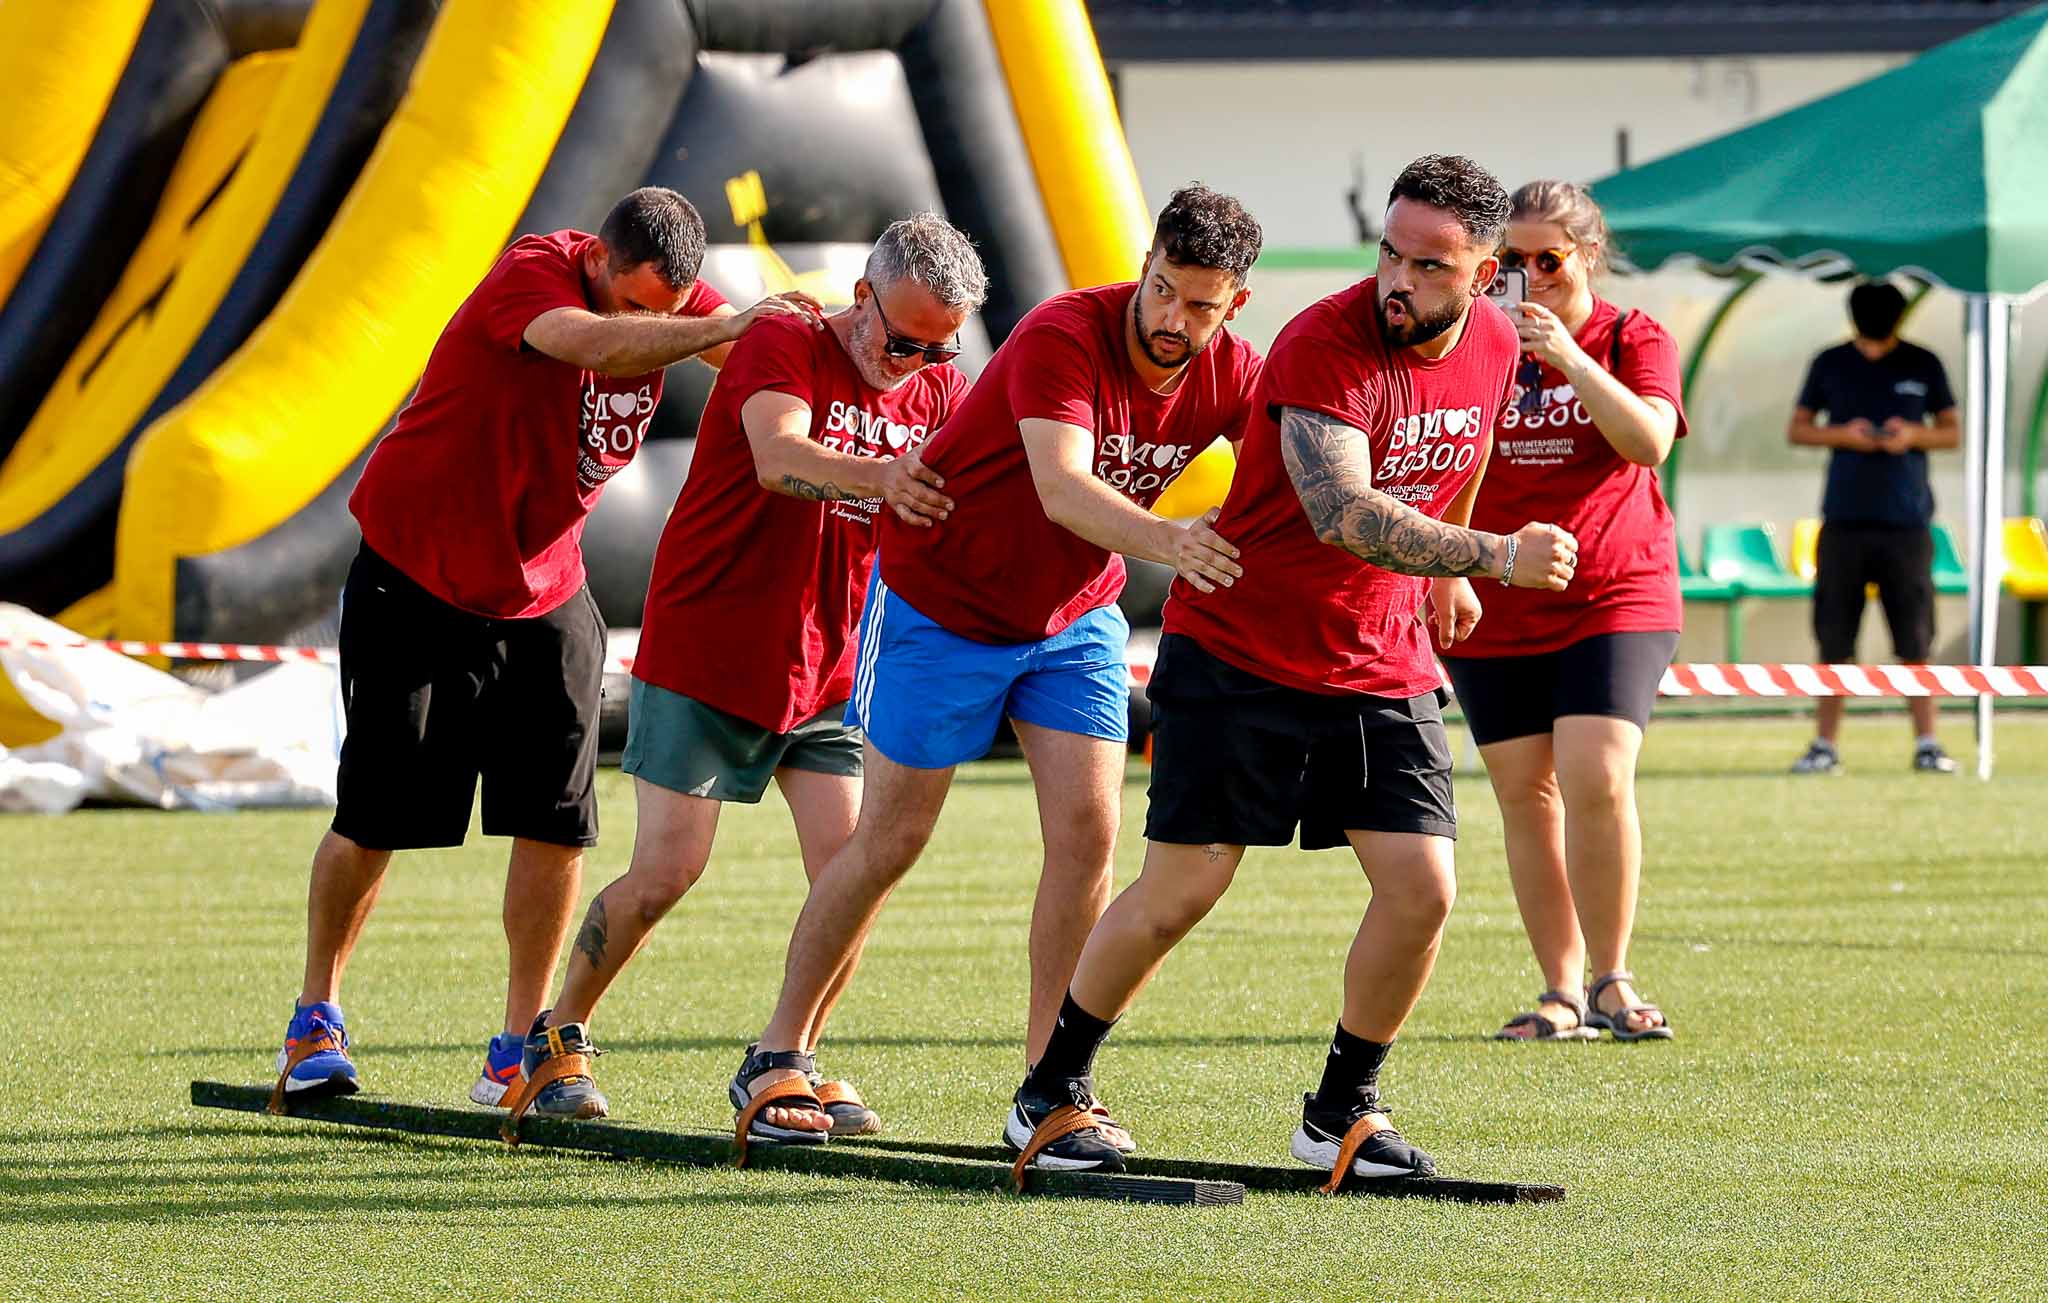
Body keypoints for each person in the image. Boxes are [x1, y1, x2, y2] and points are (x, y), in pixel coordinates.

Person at [1011, 155, 1580, 1178]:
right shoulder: (1324, 341)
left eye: (1430, 266)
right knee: (1182, 888)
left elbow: (1468, 445)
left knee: (1423, 887)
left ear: (1486, 275)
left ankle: (1339, 1114)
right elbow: (1342, 511)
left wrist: (1445, 567)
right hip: (1241, 646)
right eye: (1389, 254)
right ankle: (1047, 1092)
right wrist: (1491, 555)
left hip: (1380, 656)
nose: (1398, 280)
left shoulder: (1496, 341)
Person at [728, 185, 1266, 1157]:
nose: (1172, 318)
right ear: (1144, 266)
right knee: (890, 840)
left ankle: (1049, 1088)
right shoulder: (1066, 332)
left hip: (1072, 617)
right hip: (941, 604)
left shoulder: (1234, 370)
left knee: (1089, 837)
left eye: (1200, 305)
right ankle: (777, 1053)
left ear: (1235, 305)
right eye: (1162, 288)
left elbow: (1294, 475)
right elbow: (1061, 486)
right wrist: (1173, 541)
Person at [271, 187, 823, 1111]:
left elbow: (755, 356)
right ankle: (315, 1016)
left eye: (667, 308)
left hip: (544, 588)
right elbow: (594, 343)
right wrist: (714, 328)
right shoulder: (537, 272)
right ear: (600, 261)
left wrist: (852, 342)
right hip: (417, 576)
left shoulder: (673, 305)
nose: (652, 322)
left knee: (558, 823)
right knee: (375, 815)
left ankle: (518, 1046)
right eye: (637, 302)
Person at [501, 214, 985, 1129]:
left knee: (853, 874)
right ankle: (555, 1034)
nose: (914, 363)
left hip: (830, 664)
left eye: (938, 347)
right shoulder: (783, 339)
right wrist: (884, 479)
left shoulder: (940, 390)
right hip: (711, 646)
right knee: (666, 872)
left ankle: (787, 1055)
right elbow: (778, 456)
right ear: (862, 297)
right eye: (902, 340)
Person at [1437, 180, 1685, 1044]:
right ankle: (1562, 989)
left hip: (1616, 586)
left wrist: (1570, 356)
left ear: (1587, 256)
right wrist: (1447, 566)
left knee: (1596, 773)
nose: (1531, 275)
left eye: (1549, 258)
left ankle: (1614, 977)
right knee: (1525, 793)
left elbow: (1649, 442)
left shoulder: (1632, 336)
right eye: (1511, 260)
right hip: (1500, 589)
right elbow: (1449, 455)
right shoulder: (1474, 338)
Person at [1788, 281, 1961, 775]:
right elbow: (1798, 428)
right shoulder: (1831, 363)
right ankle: (1825, 746)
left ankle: (1927, 742)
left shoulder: (1923, 363)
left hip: (1907, 525)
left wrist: (1912, 435)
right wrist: (1844, 435)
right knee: (1834, 639)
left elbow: (1951, 432)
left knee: (1916, 639)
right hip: (1843, 522)